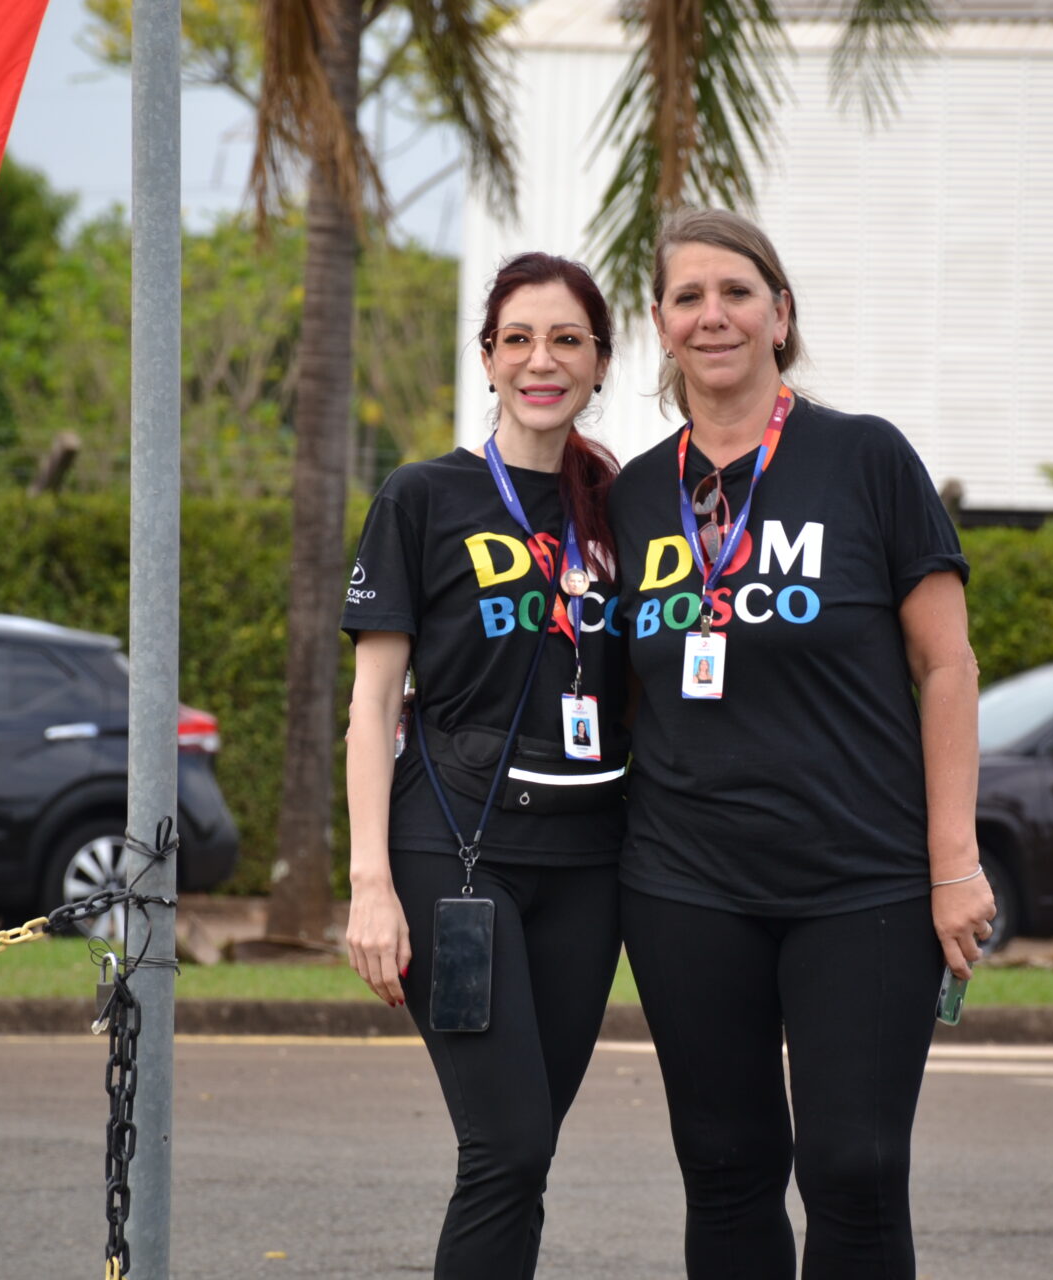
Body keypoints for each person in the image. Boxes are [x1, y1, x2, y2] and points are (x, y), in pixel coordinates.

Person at [609, 208, 995, 1279]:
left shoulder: (865, 458)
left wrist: (954, 862)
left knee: (855, 1167)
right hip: (686, 883)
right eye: (688, 297)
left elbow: (948, 667)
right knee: (726, 1167)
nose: (713, 315)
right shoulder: (634, 494)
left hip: (861, 879)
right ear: (661, 324)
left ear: (780, 314)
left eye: (737, 292)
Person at [340, 252, 627, 1279]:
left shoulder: (630, 505)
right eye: (519, 340)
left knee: (527, 1151)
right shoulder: (425, 496)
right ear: (489, 358)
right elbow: (373, 703)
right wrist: (370, 884)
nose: (542, 361)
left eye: (567, 340)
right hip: (456, 852)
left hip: (589, 863)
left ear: (600, 361)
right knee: (504, 1145)